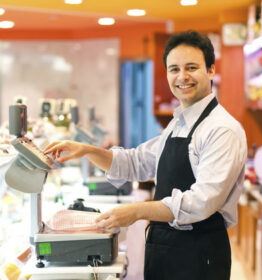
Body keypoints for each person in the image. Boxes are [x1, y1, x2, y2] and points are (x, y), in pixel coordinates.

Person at [44, 30, 247, 280]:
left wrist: (138, 211)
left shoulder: (222, 130)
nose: (182, 76)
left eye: (191, 67)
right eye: (174, 69)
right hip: (163, 248)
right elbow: (136, 162)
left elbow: (201, 202)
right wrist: (86, 149)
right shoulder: (178, 123)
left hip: (199, 255)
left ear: (211, 71)